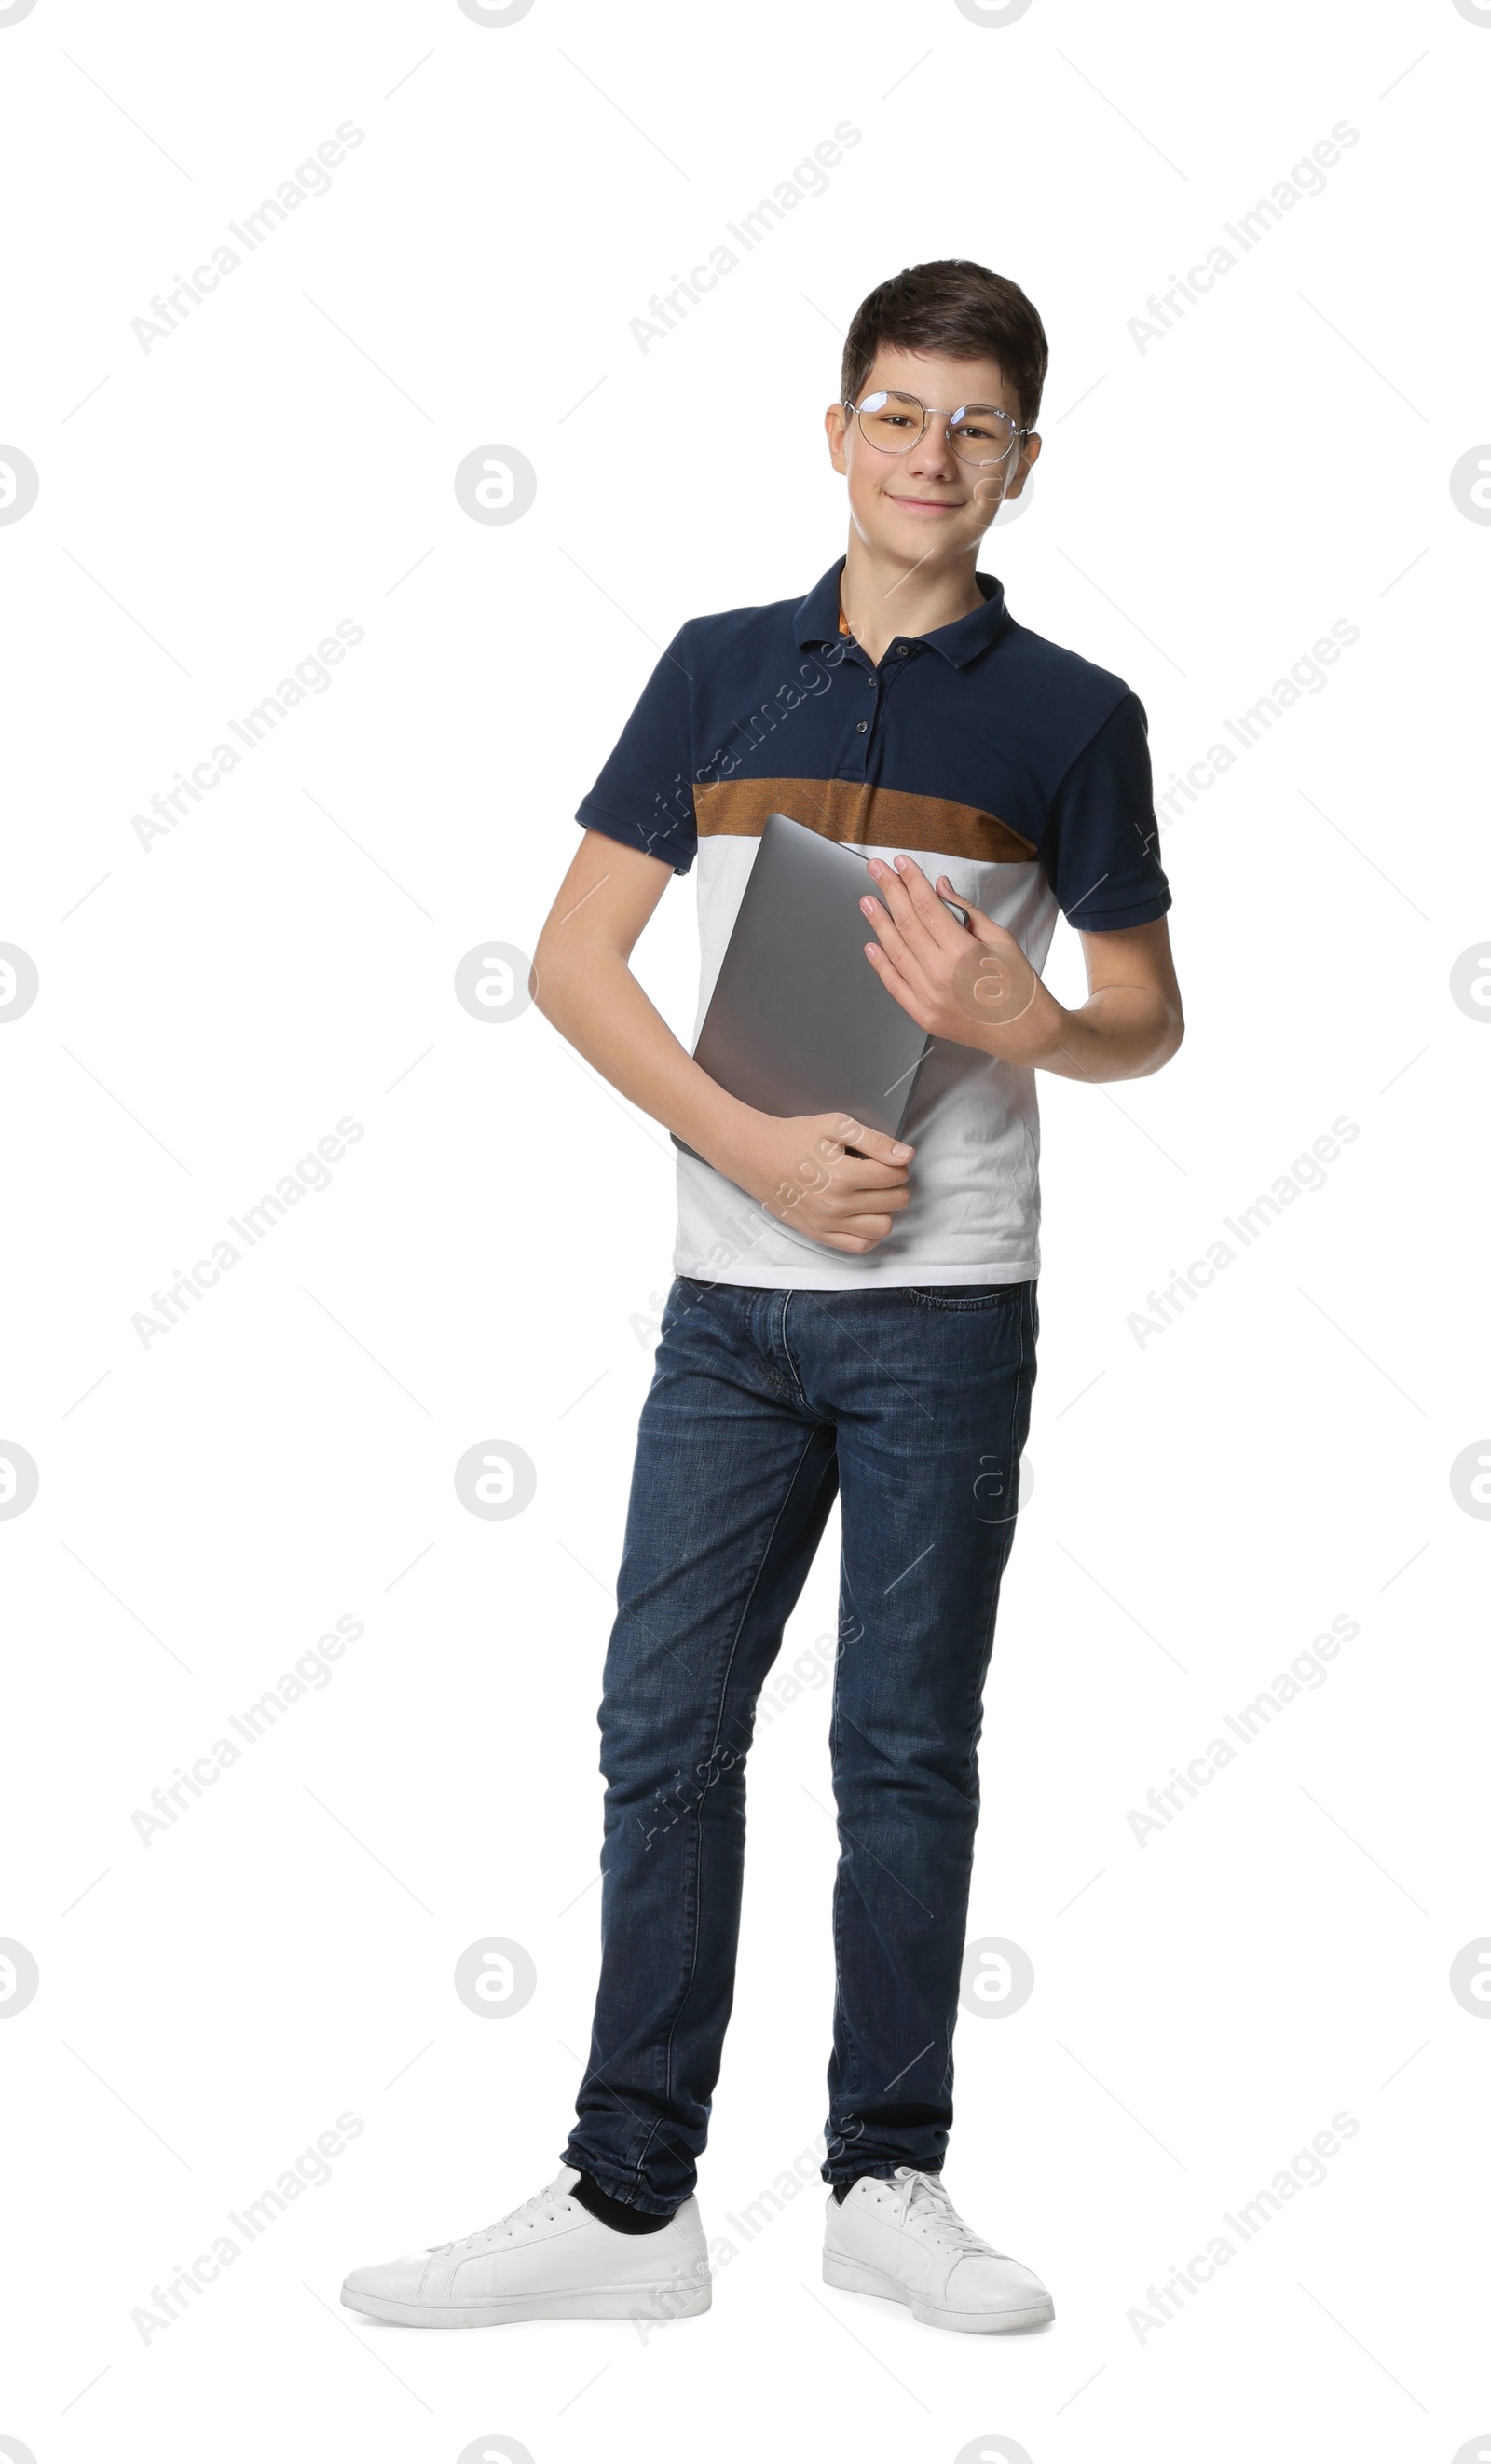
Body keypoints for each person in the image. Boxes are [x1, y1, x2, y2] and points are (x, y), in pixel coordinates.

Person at [343, 256, 1183, 2339]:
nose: (931, 456)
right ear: (835, 433)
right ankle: (631, 2202)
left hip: (942, 1306)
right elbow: (570, 963)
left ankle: (884, 2175)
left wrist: (1033, 1012)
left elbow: (1146, 1016)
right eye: (896, 413)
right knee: (658, 1729)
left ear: (1024, 461)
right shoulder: (717, 671)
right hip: (724, 1307)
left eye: (974, 425)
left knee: (900, 1747)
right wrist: (746, 1144)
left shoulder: (1072, 716)